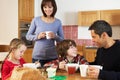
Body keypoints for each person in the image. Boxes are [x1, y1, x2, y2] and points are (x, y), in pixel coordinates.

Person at [26, 0, 64, 67]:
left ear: (54, 7)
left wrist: (55, 36)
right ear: (42, 8)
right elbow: (28, 36)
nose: (47, 9)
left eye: (50, 7)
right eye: (45, 7)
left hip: (52, 57)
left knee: (52, 76)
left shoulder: (58, 22)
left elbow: (62, 39)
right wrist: (38, 36)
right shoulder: (36, 20)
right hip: (37, 57)